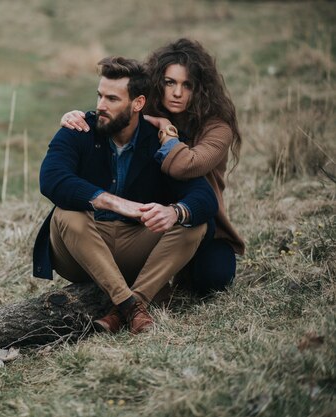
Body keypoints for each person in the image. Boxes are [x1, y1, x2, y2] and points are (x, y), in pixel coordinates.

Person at [32, 56, 218, 335]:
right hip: (80, 250)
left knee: (193, 223)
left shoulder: (157, 141)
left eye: (112, 99)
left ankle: (128, 305)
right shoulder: (79, 129)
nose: (100, 106)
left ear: (138, 104)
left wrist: (174, 212)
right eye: (99, 96)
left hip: (135, 246)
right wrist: (114, 202)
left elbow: (203, 196)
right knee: (66, 212)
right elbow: (51, 179)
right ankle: (132, 307)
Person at [60, 39, 244, 296]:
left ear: (200, 89)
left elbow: (184, 166)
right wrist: (77, 117)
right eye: (170, 83)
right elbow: (114, 108)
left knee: (213, 280)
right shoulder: (146, 110)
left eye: (186, 85)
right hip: (147, 218)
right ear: (158, 83)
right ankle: (136, 291)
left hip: (198, 215)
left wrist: (166, 129)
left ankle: (165, 275)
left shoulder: (217, 129)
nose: (177, 92)